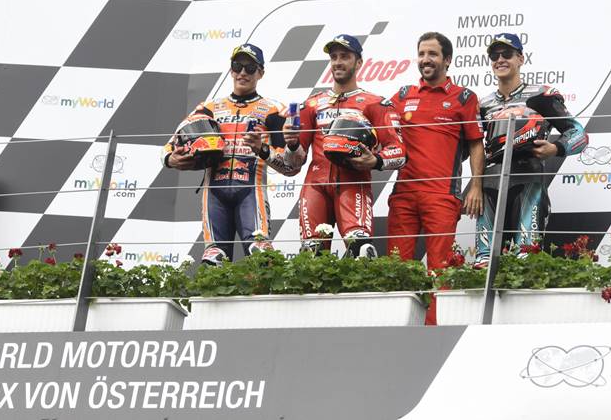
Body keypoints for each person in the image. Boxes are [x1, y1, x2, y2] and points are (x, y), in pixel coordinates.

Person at [163, 43, 297, 266]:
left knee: (261, 254)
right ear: (231, 70)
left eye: (250, 68)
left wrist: (263, 150)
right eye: (237, 66)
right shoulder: (208, 108)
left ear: (261, 73)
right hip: (214, 193)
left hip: (251, 191)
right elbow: (169, 145)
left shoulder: (274, 110)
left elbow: (290, 167)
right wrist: (171, 159)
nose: (243, 72)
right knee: (213, 257)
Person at [386, 31, 485, 325]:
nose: (425, 59)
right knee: (397, 267)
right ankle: (396, 330)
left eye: (432, 54)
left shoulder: (464, 98)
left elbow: (476, 144)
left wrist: (476, 185)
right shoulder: (403, 96)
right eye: (421, 54)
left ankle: (434, 333)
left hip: (442, 195)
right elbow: (379, 126)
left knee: (440, 269)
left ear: (447, 60)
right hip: (403, 194)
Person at [283, 34, 406, 257]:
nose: (338, 62)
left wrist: (376, 161)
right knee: (311, 255)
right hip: (315, 186)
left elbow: (399, 152)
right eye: (334, 57)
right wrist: (291, 146)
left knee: (361, 251)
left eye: (345, 57)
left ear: (358, 63)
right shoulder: (311, 104)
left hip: (353, 183)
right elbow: (292, 165)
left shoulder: (376, 103)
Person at [474, 33, 588, 266]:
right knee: (484, 261)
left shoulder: (540, 95)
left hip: (528, 177)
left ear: (521, 59)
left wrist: (555, 148)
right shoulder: (483, 104)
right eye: (494, 55)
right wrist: (473, 185)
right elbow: (473, 146)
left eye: (507, 53)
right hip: (490, 181)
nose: (500, 59)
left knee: (526, 257)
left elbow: (579, 133)